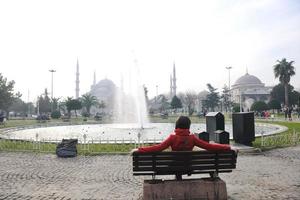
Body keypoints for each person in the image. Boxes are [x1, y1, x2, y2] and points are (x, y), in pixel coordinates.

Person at [133, 116, 236, 153]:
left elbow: (158, 148)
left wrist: (139, 150)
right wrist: (228, 147)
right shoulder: (193, 138)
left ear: (177, 125)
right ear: (188, 126)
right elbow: (209, 146)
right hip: (189, 166)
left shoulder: (172, 138)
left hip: (173, 166)